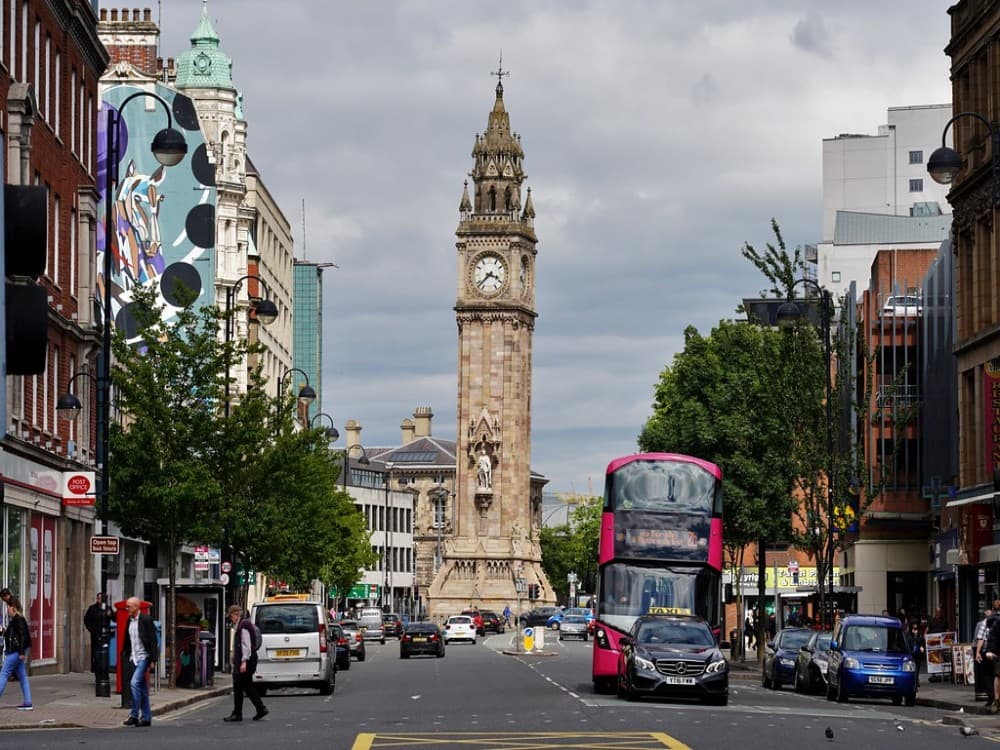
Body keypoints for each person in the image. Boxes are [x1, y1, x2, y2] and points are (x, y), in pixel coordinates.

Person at [224, 604, 267, 722]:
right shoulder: (241, 625)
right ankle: (260, 709)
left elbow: (246, 645)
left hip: (246, 661)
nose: (230, 619)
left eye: (231, 616)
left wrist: (244, 662)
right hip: (246, 660)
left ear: (235, 615)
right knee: (246, 686)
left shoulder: (244, 626)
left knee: (239, 686)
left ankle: (238, 713)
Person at [120, 596, 157, 728]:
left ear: (136, 607)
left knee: (134, 683)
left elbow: (153, 640)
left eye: (129, 606)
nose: (127, 608)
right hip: (133, 657)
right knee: (142, 689)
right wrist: (124, 654)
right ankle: (146, 718)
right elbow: (127, 639)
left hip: (144, 657)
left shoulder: (146, 620)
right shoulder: (129, 621)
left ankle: (134, 715)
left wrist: (153, 660)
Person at [0, 598, 31, 710]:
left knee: (3, 674)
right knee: (22, 677)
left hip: (16, 652)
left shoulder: (19, 619)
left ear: (13, 607)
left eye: (8, 607)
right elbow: (13, 635)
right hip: (18, 651)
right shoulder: (15, 620)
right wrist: (3, 631)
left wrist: (22, 652)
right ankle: (28, 702)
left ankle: (28, 702)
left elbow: (23, 636)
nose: (7, 609)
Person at [975, 608, 995, 702]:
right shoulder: (984, 623)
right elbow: (981, 638)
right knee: (991, 674)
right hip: (989, 651)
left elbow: (981, 638)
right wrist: (978, 652)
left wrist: (978, 652)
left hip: (989, 651)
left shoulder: (985, 622)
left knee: (988, 675)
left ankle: (992, 696)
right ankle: (992, 696)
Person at [84, 592, 105, 674]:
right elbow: (86, 620)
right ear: (97, 599)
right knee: (96, 652)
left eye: (102, 598)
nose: (100, 600)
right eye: (99, 598)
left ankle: (103, 667)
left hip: (105, 635)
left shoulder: (106, 608)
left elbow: (114, 617)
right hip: (95, 635)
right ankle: (96, 667)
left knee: (104, 652)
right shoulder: (92, 608)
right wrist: (92, 630)